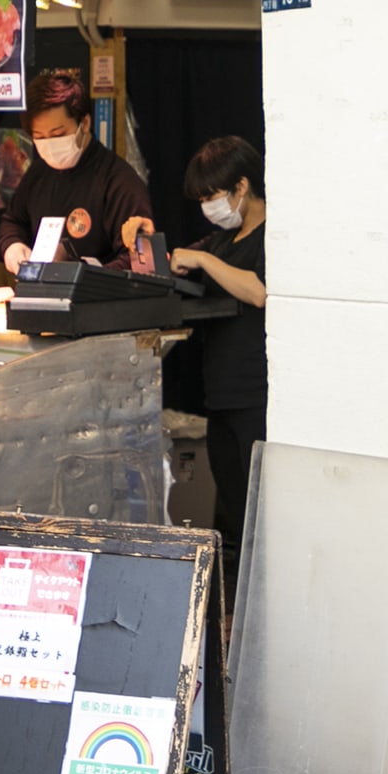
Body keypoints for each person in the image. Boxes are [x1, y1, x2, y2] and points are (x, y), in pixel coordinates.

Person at [170, 135, 266, 594]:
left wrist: (204, 260)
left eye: (212, 195)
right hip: (220, 394)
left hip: (257, 393)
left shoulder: (275, 234)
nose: (208, 206)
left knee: (263, 514)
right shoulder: (225, 238)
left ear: (241, 186)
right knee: (233, 514)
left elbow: (259, 291)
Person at [0, 68, 155, 271]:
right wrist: (13, 246)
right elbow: (13, 220)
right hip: (44, 295)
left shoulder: (118, 181)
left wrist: (83, 276)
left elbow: (138, 257)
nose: (50, 145)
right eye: (40, 137)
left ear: (85, 122)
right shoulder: (37, 174)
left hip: (100, 298)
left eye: (58, 134)